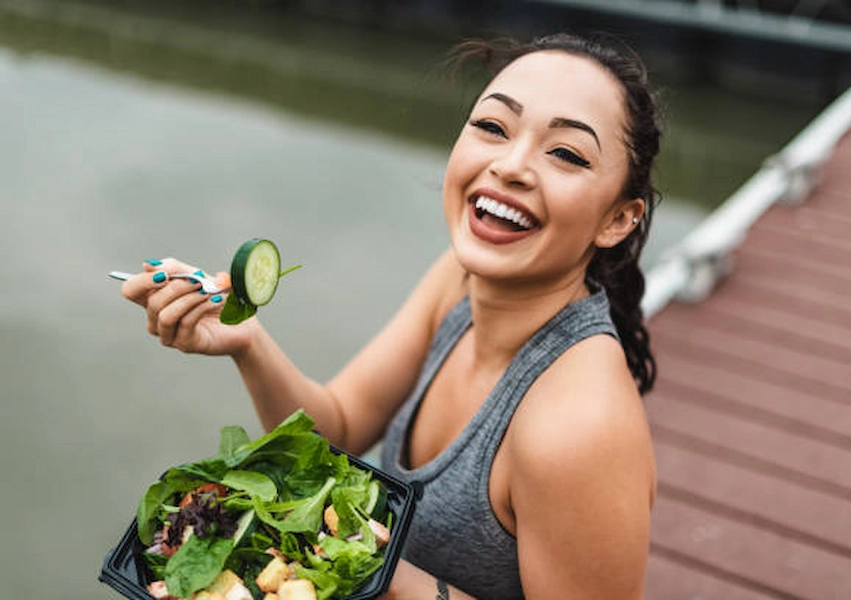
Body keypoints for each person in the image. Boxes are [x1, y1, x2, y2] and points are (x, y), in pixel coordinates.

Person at [121, 32, 661, 600]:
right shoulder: (460, 278)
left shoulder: (581, 427)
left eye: (567, 154)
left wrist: (378, 573)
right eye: (493, 127)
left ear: (619, 219)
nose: (512, 166)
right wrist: (246, 342)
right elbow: (342, 430)